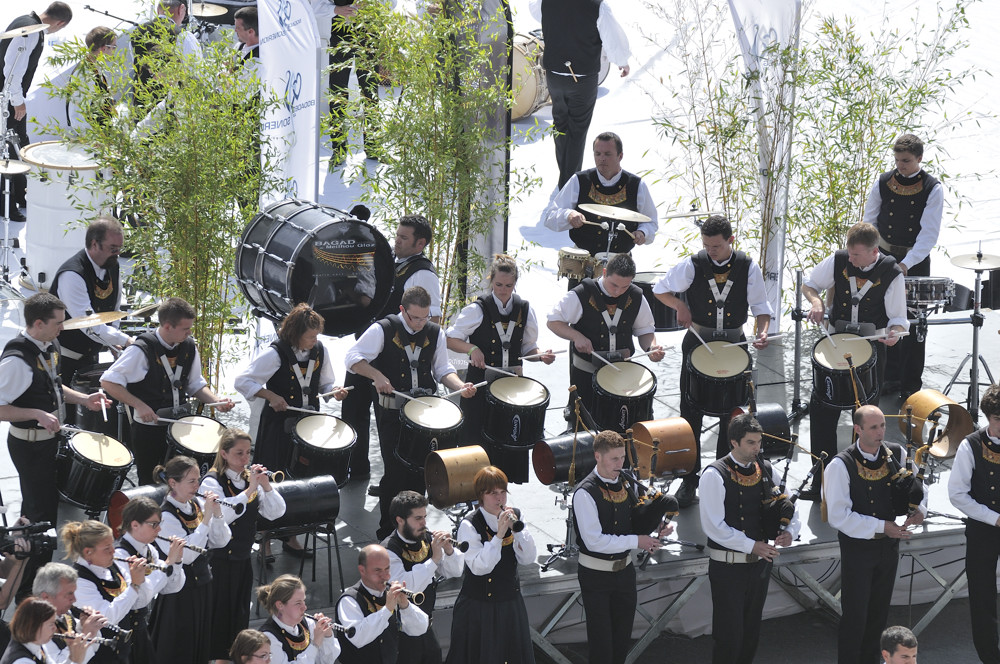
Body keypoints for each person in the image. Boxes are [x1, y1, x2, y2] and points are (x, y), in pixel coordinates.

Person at [653, 215, 772, 507]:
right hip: (698, 342)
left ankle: (722, 477)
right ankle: (689, 480)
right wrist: (680, 304)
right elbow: (659, 288)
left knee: (730, 416)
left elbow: (761, 307)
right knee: (690, 413)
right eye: (706, 245)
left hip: (733, 344)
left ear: (730, 241)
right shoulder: (693, 264)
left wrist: (763, 332)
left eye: (716, 246)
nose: (710, 251)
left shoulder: (747, 266)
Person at [345, 286, 476, 539]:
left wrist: (460, 387)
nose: (419, 323)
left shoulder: (435, 332)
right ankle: (388, 532)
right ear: (402, 310)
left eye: (424, 317)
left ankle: (415, 530)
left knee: (422, 471)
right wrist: (377, 375)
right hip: (393, 416)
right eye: (414, 317)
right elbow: (352, 358)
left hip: (426, 417)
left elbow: (442, 369)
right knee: (395, 473)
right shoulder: (382, 329)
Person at [0, 294, 108, 600]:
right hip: (30, 449)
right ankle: (30, 592)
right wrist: (34, 413)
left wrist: (84, 399)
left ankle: (23, 574)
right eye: (58, 323)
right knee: (41, 519)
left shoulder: (47, 346)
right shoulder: (16, 362)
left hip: (48, 446)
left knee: (37, 512)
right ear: (38, 323)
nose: (63, 328)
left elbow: (52, 386)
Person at [800, 222, 908, 500]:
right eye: (849, 252)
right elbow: (809, 285)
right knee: (822, 412)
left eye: (857, 255)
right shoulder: (839, 259)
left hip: (871, 352)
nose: (850, 259)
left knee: (865, 418)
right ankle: (821, 479)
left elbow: (898, 320)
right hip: (836, 344)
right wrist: (816, 303)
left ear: (874, 252)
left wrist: (894, 334)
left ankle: (862, 479)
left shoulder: (892, 273)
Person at [343, 214, 441, 485]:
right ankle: (357, 469)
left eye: (403, 238)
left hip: (391, 353)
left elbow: (430, 321)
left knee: (387, 419)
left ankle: (392, 481)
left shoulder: (422, 274)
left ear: (420, 243)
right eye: (396, 235)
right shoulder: (395, 264)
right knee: (354, 407)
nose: (396, 241)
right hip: (370, 347)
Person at [825, 405, 925, 664]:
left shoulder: (899, 453)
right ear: (857, 429)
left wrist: (919, 511)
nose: (881, 432)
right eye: (873, 427)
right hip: (858, 550)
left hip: (888, 547)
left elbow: (918, 488)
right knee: (856, 615)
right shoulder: (840, 465)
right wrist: (882, 526)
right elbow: (839, 516)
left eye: (882, 425)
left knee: (879, 614)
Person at [100, 297, 235, 485]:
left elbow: (195, 384)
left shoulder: (188, 346)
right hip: (149, 429)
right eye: (185, 329)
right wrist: (139, 405)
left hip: (180, 427)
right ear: (167, 327)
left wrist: (216, 401)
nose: (189, 333)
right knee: (151, 482)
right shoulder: (141, 349)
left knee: (183, 481)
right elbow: (108, 381)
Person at [700, 414, 800, 664]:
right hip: (728, 567)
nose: (758, 448)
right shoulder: (714, 474)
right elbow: (714, 526)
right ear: (734, 442)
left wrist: (790, 531)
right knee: (729, 635)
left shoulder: (765, 468)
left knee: (751, 632)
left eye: (759, 442)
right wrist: (752, 545)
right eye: (751, 443)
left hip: (759, 565)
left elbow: (788, 504)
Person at [446, 255, 555, 480]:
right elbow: (450, 338)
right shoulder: (477, 309)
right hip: (481, 383)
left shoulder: (525, 309)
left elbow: (528, 350)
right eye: (498, 285)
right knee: (476, 438)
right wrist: (471, 349)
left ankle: (501, 490)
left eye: (508, 285)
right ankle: (472, 490)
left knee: (508, 438)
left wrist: (541, 356)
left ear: (515, 284)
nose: (503, 290)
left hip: (512, 387)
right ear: (491, 281)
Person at [572, 430, 673, 664]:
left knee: (620, 643)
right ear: (598, 456)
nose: (620, 464)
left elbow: (637, 516)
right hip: (595, 576)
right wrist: (637, 541)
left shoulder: (627, 480)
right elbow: (594, 541)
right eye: (614, 459)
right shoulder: (584, 492)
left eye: (622, 458)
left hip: (624, 574)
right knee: (601, 646)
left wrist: (657, 526)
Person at [863, 134, 943, 400]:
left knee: (913, 322)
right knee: (884, 317)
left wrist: (906, 264)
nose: (901, 166)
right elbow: (870, 221)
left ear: (919, 158)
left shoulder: (933, 188)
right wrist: (872, 254)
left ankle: (910, 382)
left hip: (915, 260)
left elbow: (928, 235)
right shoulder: (883, 181)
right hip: (883, 257)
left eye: (906, 161)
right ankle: (887, 377)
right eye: (897, 160)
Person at [200, 429, 287, 664]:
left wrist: (266, 486)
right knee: (218, 618)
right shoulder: (211, 482)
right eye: (239, 453)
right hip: (216, 562)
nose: (245, 459)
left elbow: (276, 512)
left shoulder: (251, 479)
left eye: (248, 453)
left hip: (241, 559)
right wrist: (249, 491)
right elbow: (223, 514)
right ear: (224, 454)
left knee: (238, 616)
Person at [546, 252, 665, 420]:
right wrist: (576, 336)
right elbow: (553, 321)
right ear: (604, 273)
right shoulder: (582, 293)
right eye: (614, 285)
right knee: (584, 424)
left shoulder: (636, 295)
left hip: (621, 372)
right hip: (586, 372)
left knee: (623, 422)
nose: (618, 291)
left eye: (624, 287)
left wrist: (651, 347)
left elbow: (645, 330)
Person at [527, 0, 630, 189]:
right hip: (582, 78)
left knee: (560, 125)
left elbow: (536, 12)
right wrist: (622, 61)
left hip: (555, 74)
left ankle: (565, 177)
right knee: (577, 129)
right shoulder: (597, 5)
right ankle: (569, 183)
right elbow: (612, 37)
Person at [446, 466, 536, 664]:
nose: (500, 499)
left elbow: (528, 558)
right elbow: (480, 567)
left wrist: (518, 532)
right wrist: (498, 536)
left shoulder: (516, 515)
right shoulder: (469, 524)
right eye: (493, 493)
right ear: (481, 495)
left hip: (510, 602)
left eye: (503, 492)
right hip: (479, 607)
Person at [150, 455, 233, 664]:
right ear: (172, 483)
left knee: (199, 643)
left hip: (203, 586)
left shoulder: (196, 504)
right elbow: (187, 555)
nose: (197, 486)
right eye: (192, 481)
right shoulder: (166, 516)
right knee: (179, 647)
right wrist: (206, 520)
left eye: (198, 480)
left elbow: (220, 541)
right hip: (179, 593)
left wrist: (217, 515)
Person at [0, 2, 72, 221]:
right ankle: (8, 206)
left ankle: (21, 197)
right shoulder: (29, 33)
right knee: (11, 151)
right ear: (60, 23)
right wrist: (18, 102)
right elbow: (12, 69)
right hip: (8, 102)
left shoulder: (25, 23)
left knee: (20, 145)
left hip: (9, 99)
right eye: (60, 28)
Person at [543, 132, 658, 267]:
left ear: (620, 156)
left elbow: (651, 222)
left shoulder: (636, 185)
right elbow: (550, 217)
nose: (602, 158)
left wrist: (643, 232)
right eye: (598, 154)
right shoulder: (579, 180)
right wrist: (569, 215)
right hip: (583, 264)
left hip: (620, 266)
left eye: (607, 154)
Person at [60, 519, 165, 664]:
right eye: (107, 548)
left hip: (123, 651)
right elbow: (106, 618)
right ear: (88, 552)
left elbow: (137, 602)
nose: (113, 551)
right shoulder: (79, 581)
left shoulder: (112, 565)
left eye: (112, 545)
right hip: (101, 657)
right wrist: (134, 585)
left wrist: (141, 579)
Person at [948, 384, 1000, 663]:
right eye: (999, 420)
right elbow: (957, 494)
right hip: (983, 529)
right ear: (988, 417)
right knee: (982, 598)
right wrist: (994, 518)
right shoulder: (971, 445)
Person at [381, 491, 464, 664]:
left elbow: (455, 571)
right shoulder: (388, 550)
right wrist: (434, 559)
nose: (424, 523)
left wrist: (449, 551)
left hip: (426, 626)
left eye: (425, 517)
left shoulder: (427, 539)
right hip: (401, 636)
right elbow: (407, 586)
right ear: (400, 520)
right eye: (418, 518)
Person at [49, 216, 130, 388]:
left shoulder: (112, 266)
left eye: (119, 248)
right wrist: (125, 340)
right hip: (63, 358)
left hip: (90, 356)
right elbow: (88, 324)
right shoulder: (72, 274)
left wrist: (113, 342)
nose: (118, 253)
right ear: (94, 244)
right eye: (112, 248)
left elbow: (114, 311)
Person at [113, 498, 185, 663]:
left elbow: (172, 588)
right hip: (124, 631)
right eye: (153, 524)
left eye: (159, 523)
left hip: (141, 627)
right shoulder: (121, 555)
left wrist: (177, 562)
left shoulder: (150, 550)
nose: (159, 529)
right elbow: (139, 600)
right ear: (134, 524)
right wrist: (167, 564)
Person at [336, 545, 428, 663]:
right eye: (378, 570)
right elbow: (358, 637)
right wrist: (387, 609)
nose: (385, 576)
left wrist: (405, 605)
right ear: (362, 570)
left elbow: (420, 628)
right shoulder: (349, 600)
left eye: (387, 569)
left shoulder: (389, 595)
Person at [327, 0, 394, 162]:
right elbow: (316, 6)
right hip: (340, 35)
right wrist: (336, 9)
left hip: (368, 35)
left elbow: (392, 3)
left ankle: (373, 147)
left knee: (370, 92)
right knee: (338, 93)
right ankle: (339, 150)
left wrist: (377, 5)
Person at [32, 563, 107, 664]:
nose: (74, 599)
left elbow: (94, 648)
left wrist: (85, 626)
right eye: (69, 594)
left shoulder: (64, 614)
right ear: (46, 597)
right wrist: (86, 635)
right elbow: (58, 662)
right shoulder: (35, 627)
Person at [258, 575, 341, 664]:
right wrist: (315, 644)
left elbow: (326, 661)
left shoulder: (308, 624)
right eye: (298, 603)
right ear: (280, 605)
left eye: (303, 601)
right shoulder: (268, 638)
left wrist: (327, 636)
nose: (304, 607)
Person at [0, 597, 88, 664]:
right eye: (51, 624)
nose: (54, 628)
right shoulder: (22, 661)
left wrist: (72, 655)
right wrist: (77, 660)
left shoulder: (35, 646)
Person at [67, 27, 119, 133]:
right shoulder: (84, 74)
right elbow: (77, 113)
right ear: (104, 48)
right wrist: (91, 138)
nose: (114, 51)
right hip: (93, 136)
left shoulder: (95, 67)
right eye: (113, 47)